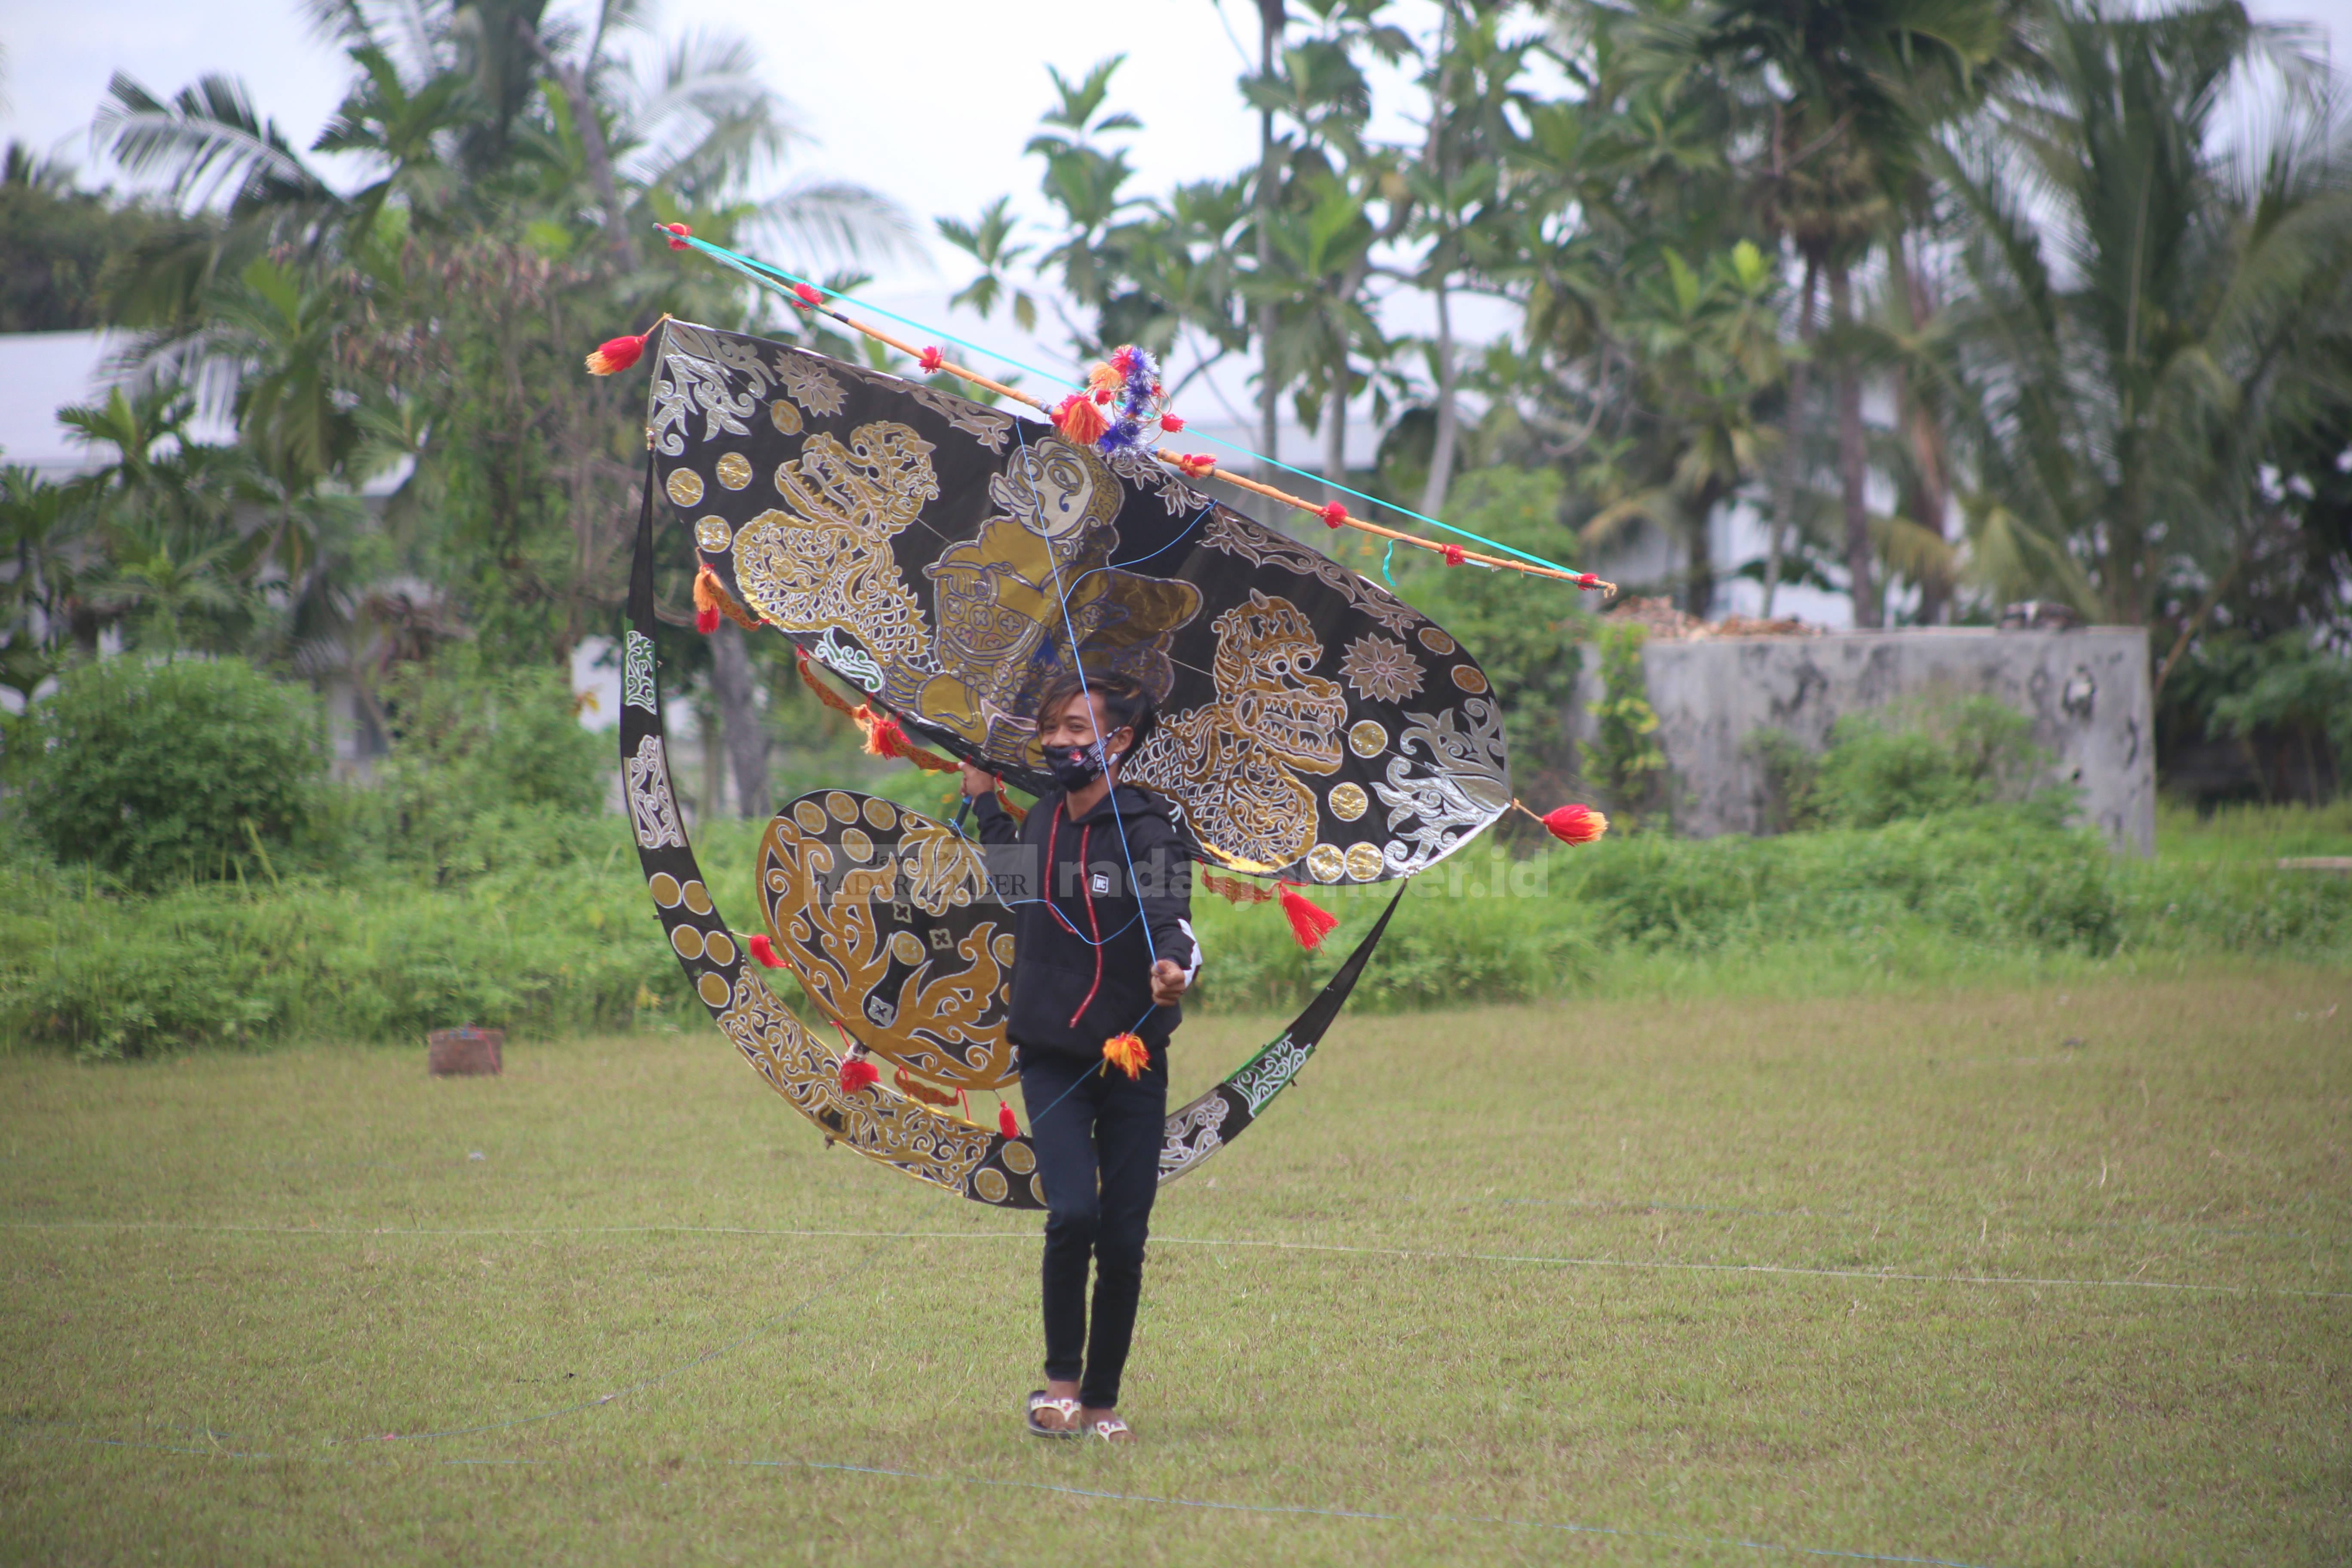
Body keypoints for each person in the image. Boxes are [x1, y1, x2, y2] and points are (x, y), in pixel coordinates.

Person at [965, 670, 1199, 1444]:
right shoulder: (1041, 821)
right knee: (1072, 1214)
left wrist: (1173, 973)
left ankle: (1101, 1402)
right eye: (1053, 728)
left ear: (1119, 741)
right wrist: (981, 802)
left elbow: (1174, 922)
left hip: (1133, 1057)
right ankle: (1058, 1384)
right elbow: (1017, 883)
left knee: (1125, 1237)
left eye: (1078, 729)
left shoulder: (1149, 829)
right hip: (1051, 1053)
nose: (1061, 742)